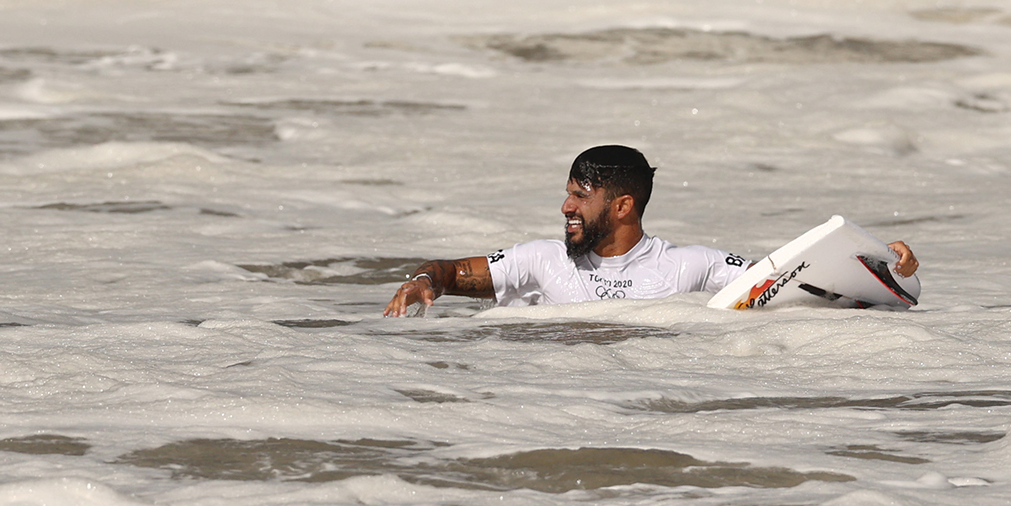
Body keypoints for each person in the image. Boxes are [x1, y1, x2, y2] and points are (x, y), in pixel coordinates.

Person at [383, 145, 919, 316]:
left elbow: (788, 282)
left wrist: (881, 264)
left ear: (621, 206)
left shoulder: (690, 267)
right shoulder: (543, 260)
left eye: (579, 195)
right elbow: (451, 272)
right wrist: (422, 282)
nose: (565, 206)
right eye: (568, 192)